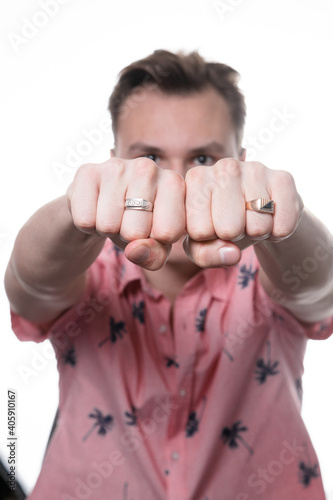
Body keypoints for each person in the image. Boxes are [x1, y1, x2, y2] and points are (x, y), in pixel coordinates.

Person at [5, 49, 333, 500]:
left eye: (203, 159)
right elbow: (31, 285)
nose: (177, 185)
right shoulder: (90, 270)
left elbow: (321, 290)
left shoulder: (268, 274)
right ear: (115, 161)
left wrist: (284, 221)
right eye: (150, 159)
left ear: (239, 161)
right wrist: (74, 210)